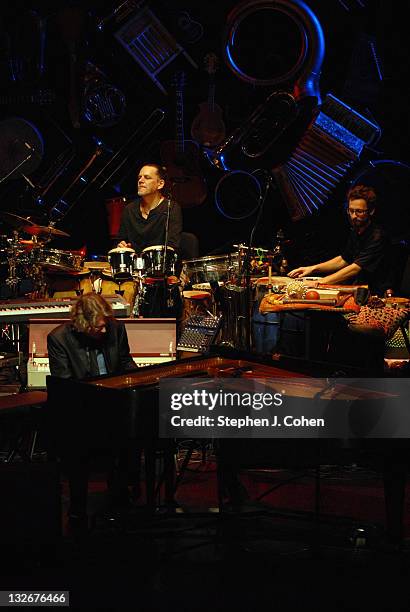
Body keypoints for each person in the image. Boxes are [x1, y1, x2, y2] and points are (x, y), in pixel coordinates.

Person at [47, 293, 138, 531]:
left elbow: (126, 363)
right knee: (78, 450)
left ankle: (121, 498)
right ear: (83, 324)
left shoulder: (116, 329)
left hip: (114, 404)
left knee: (132, 436)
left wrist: (140, 383)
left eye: (105, 325)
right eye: (99, 328)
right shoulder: (59, 338)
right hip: (81, 410)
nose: (105, 332)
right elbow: (64, 383)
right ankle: (78, 510)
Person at [288, 184, 390, 295]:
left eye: (359, 211)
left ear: (371, 211)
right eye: (351, 211)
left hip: (377, 293)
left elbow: (355, 268)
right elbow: (344, 259)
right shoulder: (356, 230)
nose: (353, 216)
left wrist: (319, 282)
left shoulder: (377, 236)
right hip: (360, 289)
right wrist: (312, 269)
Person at [117, 163, 182, 253]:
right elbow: (121, 240)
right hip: (135, 264)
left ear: (160, 184)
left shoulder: (171, 208)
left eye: (147, 177)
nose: (140, 181)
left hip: (159, 264)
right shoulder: (129, 209)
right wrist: (122, 245)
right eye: (139, 177)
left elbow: (173, 246)